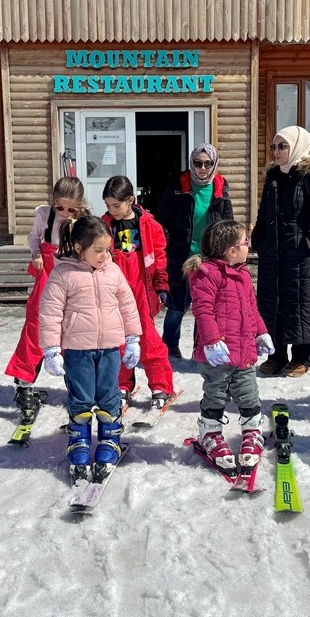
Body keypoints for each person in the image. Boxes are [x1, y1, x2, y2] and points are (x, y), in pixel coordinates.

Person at [38, 216, 142, 482]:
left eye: (106, 249)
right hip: (77, 350)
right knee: (81, 398)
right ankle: (80, 440)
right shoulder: (62, 274)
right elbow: (50, 313)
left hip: (109, 348)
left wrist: (133, 338)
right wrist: (51, 349)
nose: (103, 255)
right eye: (97, 250)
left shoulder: (113, 271)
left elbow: (128, 305)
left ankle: (109, 439)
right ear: (78, 247)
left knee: (109, 396)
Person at [252, 126, 310, 378]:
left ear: (297, 146)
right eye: (274, 146)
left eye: (283, 146)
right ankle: (276, 355)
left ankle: (302, 358)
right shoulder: (274, 176)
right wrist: (258, 241)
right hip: (274, 253)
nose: (277, 151)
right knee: (274, 303)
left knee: (300, 304)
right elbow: (263, 213)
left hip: (302, 255)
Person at [185, 220, 273, 474]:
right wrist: (212, 342)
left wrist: (261, 333)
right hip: (218, 354)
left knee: (248, 393)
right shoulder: (207, 274)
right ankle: (210, 433)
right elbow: (203, 310)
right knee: (215, 394)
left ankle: (251, 431)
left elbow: (251, 308)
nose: (249, 246)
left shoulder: (243, 274)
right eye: (245, 243)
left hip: (244, 350)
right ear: (231, 251)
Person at [4, 176, 87, 423]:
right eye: (60, 207)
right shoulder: (44, 215)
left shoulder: (84, 221)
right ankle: (24, 383)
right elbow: (33, 238)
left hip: (73, 275)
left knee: (72, 329)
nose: (64, 212)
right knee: (36, 327)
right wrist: (36, 253)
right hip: (47, 273)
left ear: (80, 206)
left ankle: (75, 382)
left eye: (71, 209)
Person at [101, 176, 176, 408]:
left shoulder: (149, 225)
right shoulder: (104, 225)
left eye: (117, 205)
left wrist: (161, 285)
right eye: (108, 206)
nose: (112, 211)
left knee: (149, 340)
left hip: (141, 290)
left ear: (131, 200)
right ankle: (122, 385)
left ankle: (161, 386)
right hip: (114, 291)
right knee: (117, 341)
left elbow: (160, 257)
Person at [155, 143, 234, 359]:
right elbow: (162, 220)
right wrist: (169, 245)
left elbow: (228, 223)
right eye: (198, 163)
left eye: (208, 164)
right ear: (192, 163)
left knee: (205, 307)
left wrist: (226, 250)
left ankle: (201, 347)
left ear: (214, 164)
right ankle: (170, 345)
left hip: (209, 258)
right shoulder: (179, 185)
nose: (202, 168)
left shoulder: (219, 186)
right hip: (181, 256)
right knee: (176, 305)